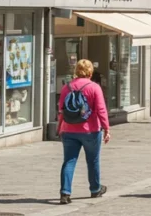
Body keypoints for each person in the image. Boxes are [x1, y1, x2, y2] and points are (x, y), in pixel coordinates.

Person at [58, 59, 111, 205]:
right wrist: (106, 128)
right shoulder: (94, 87)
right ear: (90, 72)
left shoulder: (67, 87)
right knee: (93, 160)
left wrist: (60, 127)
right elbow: (101, 110)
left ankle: (65, 193)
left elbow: (61, 109)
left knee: (69, 161)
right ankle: (95, 189)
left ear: (76, 70)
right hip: (90, 130)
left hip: (69, 129)